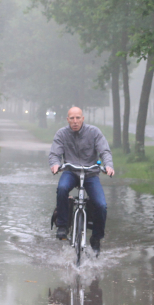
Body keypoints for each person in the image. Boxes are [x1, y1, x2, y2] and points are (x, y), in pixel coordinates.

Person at [49, 106, 114, 253]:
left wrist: (108, 166)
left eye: (78, 118)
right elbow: (54, 154)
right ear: (68, 120)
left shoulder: (94, 132)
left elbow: (104, 151)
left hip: (90, 174)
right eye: (71, 118)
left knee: (101, 205)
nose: (75, 121)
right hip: (71, 172)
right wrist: (55, 164)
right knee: (62, 188)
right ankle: (62, 225)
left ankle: (96, 237)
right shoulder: (62, 134)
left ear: (83, 118)